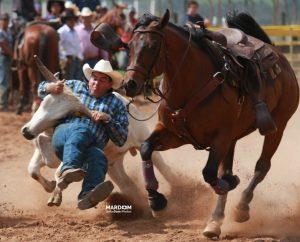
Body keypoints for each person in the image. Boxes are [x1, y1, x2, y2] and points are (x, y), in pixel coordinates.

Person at [37, 59, 128, 210]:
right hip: (63, 138)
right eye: (94, 78)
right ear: (89, 78)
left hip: (88, 149)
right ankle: (68, 168)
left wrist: (108, 119)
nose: (96, 83)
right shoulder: (74, 86)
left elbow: (121, 139)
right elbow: (41, 89)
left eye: (102, 80)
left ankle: (87, 195)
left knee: (99, 158)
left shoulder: (117, 103)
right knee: (81, 130)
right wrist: (51, 87)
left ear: (110, 85)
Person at [58, 9, 83, 80]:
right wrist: (65, 59)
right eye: (69, 19)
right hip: (68, 60)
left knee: (77, 81)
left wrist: (80, 57)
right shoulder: (61, 31)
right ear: (66, 20)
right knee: (69, 82)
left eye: (73, 19)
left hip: (77, 60)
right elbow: (58, 46)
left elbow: (78, 46)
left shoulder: (75, 31)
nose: (72, 21)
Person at [0, 13, 13, 111]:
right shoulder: (1, 32)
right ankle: (2, 103)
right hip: (3, 57)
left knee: (7, 80)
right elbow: (4, 46)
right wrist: (15, 56)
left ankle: (5, 102)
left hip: (8, 58)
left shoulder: (8, 32)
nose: (5, 22)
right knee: (3, 79)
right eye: (3, 20)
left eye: (6, 20)